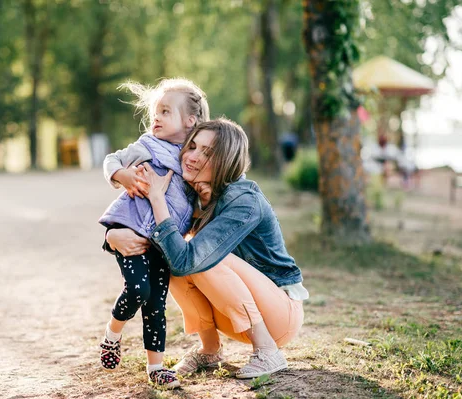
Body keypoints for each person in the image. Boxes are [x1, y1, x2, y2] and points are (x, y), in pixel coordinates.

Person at [106, 118, 309, 379]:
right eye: (192, 146)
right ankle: (210, 350)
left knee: (197, 256)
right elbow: (151, 233)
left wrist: (157, 198)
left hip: (280, 315)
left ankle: (268, 351)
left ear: (226, 160)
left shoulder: (244, 200)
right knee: (174, 254)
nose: (191, 156)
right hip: (238, 318)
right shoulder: (192, 195)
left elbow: (187, 260)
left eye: (207, 152)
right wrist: (112, 235)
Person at [98, 78, 210, 388]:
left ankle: (156, 367)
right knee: (138, 290)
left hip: (162, 242)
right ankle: (112, 333)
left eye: (165, 112)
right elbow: (111, 160)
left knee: (156, 306)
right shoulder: (147, 144)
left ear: (190, 121)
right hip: (130, 230)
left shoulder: (196, 158)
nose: (155, 118)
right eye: (154, 112)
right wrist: (121, 174)